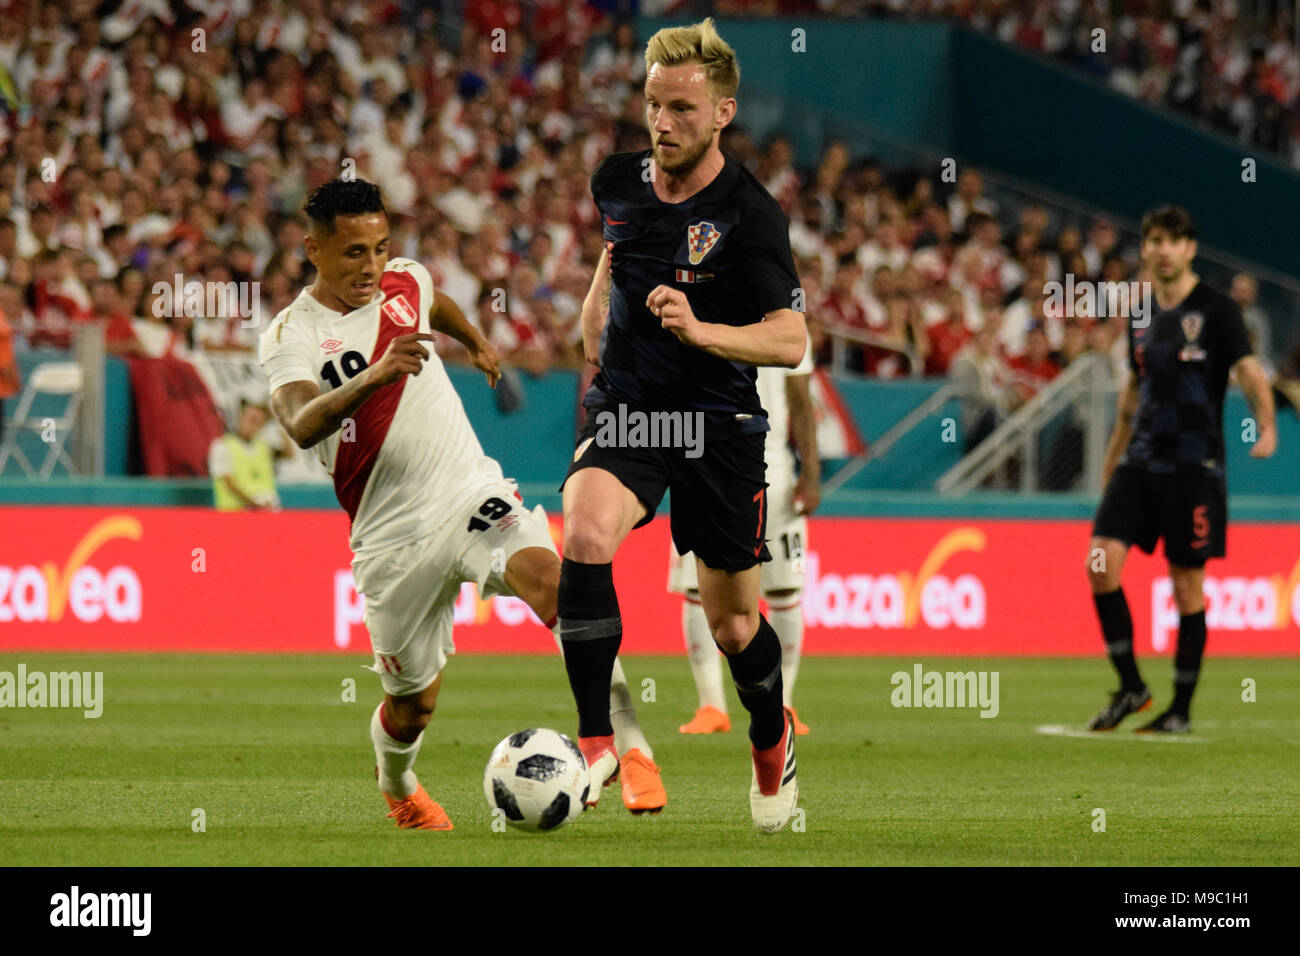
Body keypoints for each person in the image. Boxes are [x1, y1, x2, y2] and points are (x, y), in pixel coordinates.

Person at [259, 179, 662, 831]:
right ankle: (397, 784)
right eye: (353, 252)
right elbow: (301, 421)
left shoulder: (404, 282)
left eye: (381, 247)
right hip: (390, 539)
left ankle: (625, 745)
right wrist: (375, 375)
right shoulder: (291, 334)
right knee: (412, 707)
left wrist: (475, 341)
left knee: (561, 588)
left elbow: (433, 301)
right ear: (313, 249)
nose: (371, 266)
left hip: (468, 493)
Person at [559, 19, 808, 833]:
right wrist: (596, 302)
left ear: (724, 112)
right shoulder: (617, 180)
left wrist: (704, 331)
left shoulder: (752, 215)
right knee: (586, 536)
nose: (662, 123)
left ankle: (771, 745)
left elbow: (791, 338)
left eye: (681, 110)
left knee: (735, 624)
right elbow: (621, 242)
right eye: (652, 105)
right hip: (630, 405)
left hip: (719, 423)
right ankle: (599, 741)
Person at [1086, 205, 1276, 733]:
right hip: (1141, 460)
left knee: (1187, 588)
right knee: (1100, 564)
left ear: (1190, 248)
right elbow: (1133, 386)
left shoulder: (1217, 309)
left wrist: (1268, 426)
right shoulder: (1140, 314)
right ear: (1145, 248)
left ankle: (1180, 711)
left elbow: (1247, 370)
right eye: (1153, 240)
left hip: (1195, 466)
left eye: (1173, 240)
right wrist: (1112, 456)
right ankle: (1131, 687)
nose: (1163, 249)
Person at [670, 337, 819, 735]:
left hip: (774, 469)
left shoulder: (784, 315)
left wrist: (812, 471)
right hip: (704, 461)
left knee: (785, 589)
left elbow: (801, 402)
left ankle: (784, 702)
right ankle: (711, 706)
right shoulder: (700, 305)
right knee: (696, 586)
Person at [208, 396, 288, 511]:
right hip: (235, 514)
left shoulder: (264, 446)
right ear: (241, 418)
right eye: (250, 419)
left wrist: (278, 423)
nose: (252, 425)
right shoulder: (222, 446)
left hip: (267, 510)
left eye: (258, 422)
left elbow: (289, 454)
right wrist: (254, 504)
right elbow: (228, 482)